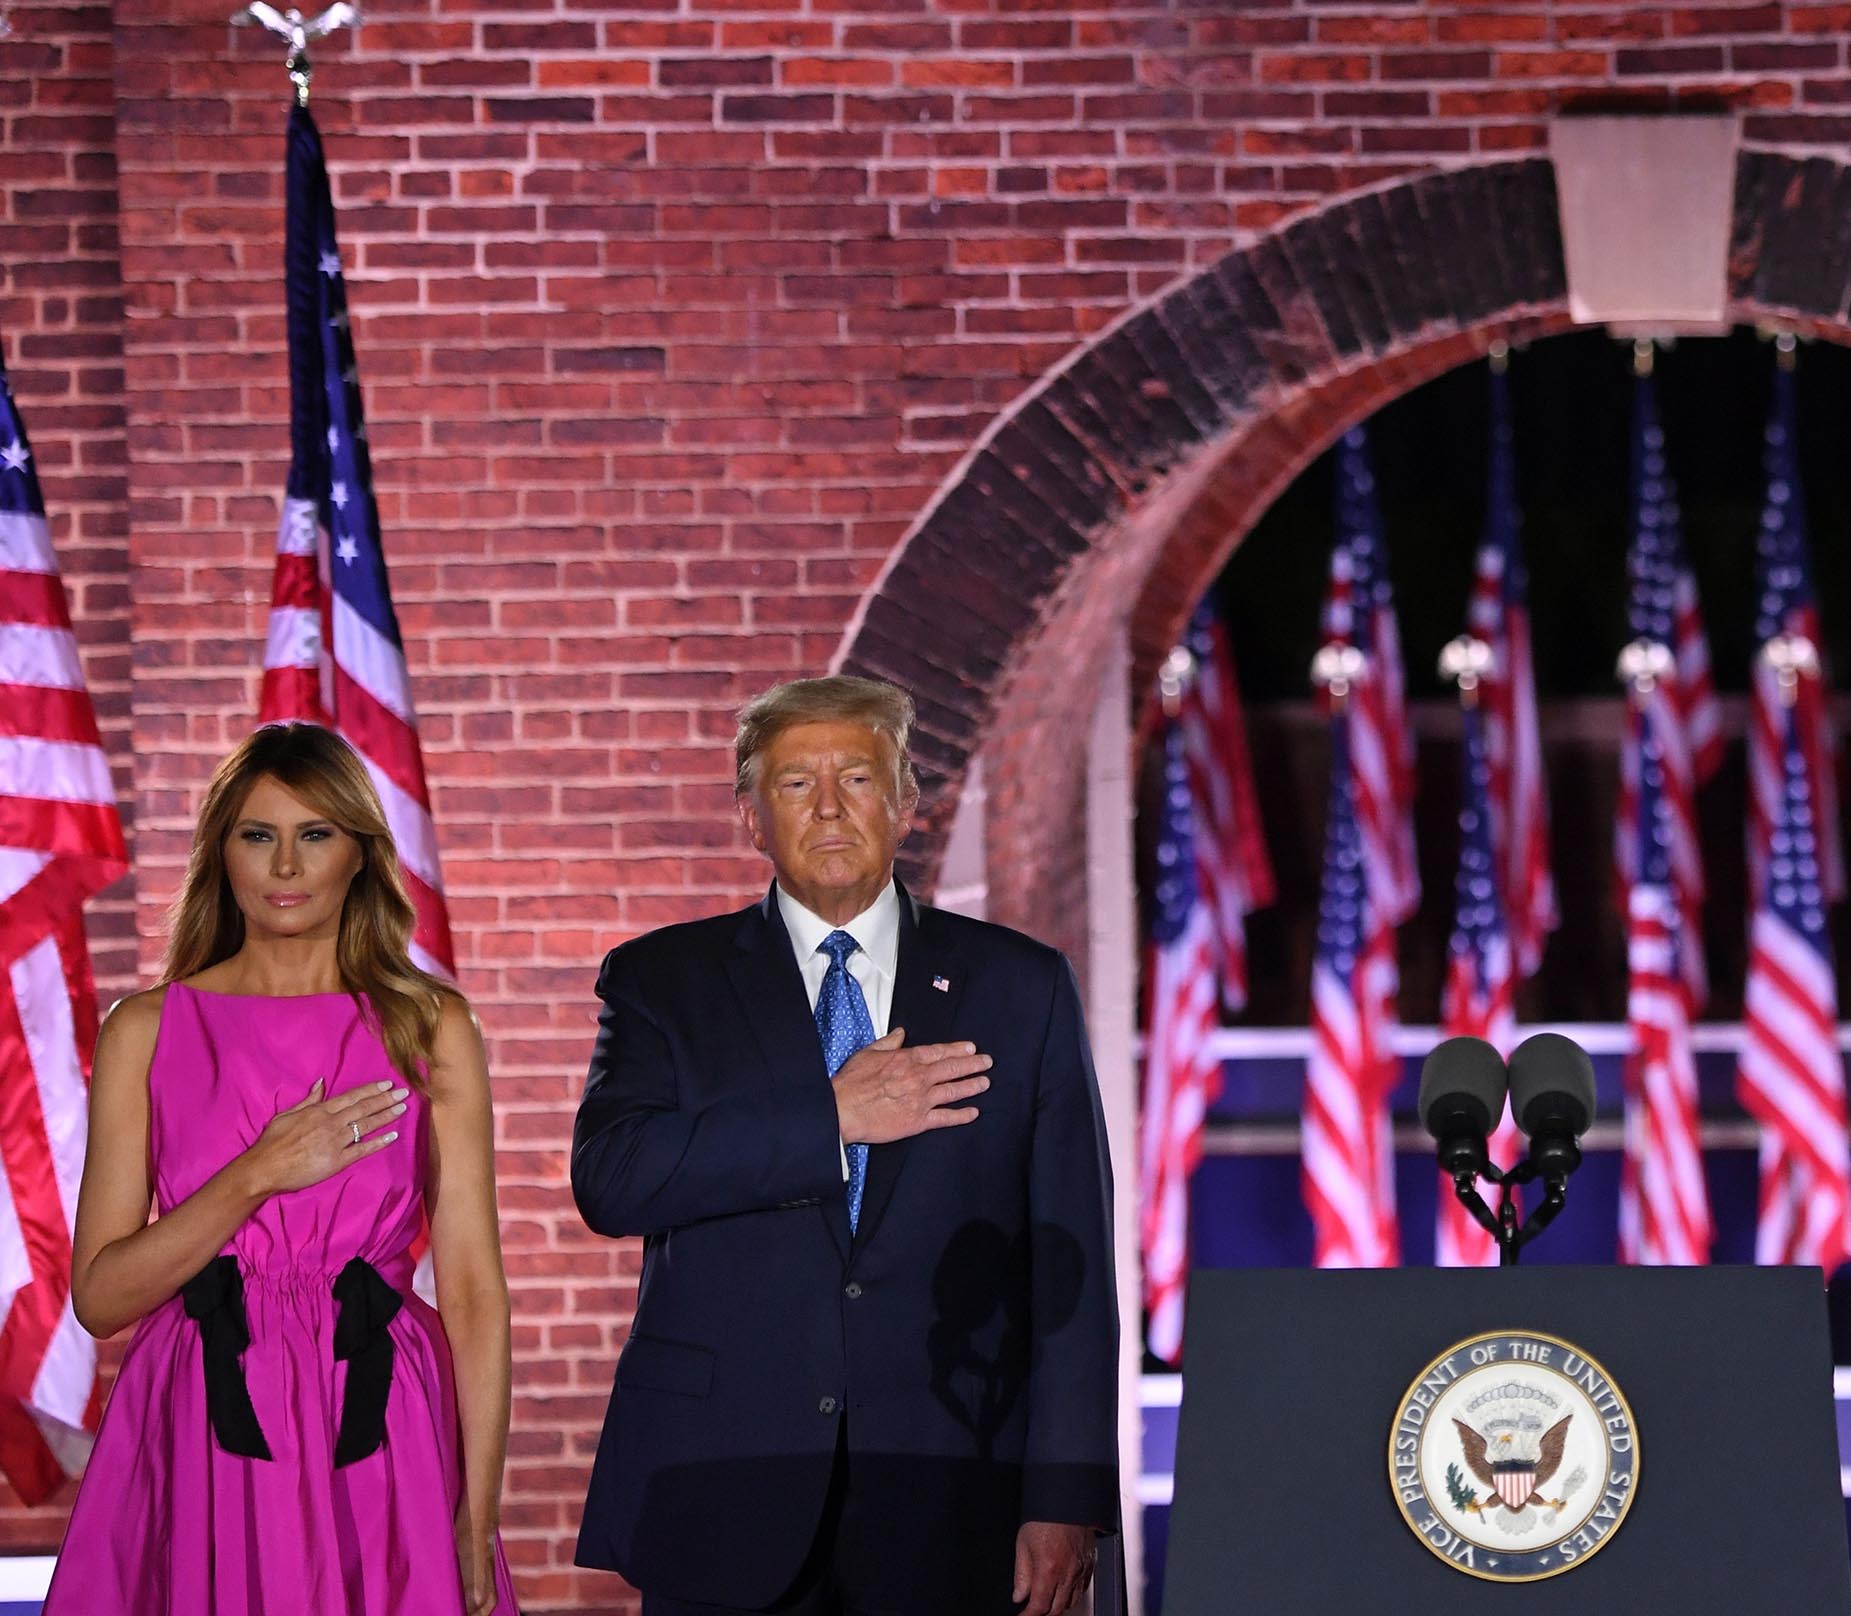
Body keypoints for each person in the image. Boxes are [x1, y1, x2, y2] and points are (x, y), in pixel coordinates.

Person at [572, 675, 1118, 1616]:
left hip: (952, 1488)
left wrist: (1065, 1496)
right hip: (727, 1482)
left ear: (905, 803)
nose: (827, 806)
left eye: (857, 778)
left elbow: (1073, 1263)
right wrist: (830, 1119)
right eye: (794, 784)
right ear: (752, 817)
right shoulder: (664, 979)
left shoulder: (1020, 987)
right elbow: (613, 1181)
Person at [49, 722, 514, 1616]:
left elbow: (472, 1290)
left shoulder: (430, 1027)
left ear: (360, 856)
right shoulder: (145, 1030)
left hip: (379, 1414)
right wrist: (255, 1173)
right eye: (258, 835)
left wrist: (475, 1510)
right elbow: (102, 1298)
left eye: (316, 835)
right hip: (202, 1420)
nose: (287, 867)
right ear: (222, 853)